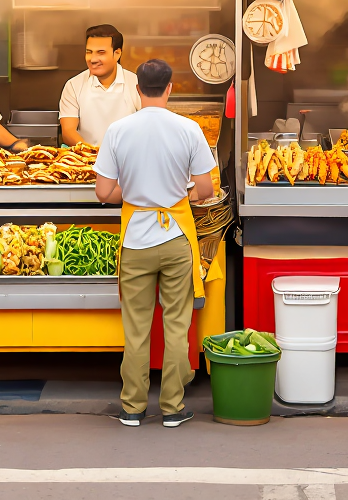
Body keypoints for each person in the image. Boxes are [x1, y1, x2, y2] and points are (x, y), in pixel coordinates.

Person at [94, 59, 214, 427]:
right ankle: (173, 408)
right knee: (177, 325)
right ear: (170, 88)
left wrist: (132, 193)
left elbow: (103, 192)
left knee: (136, 327)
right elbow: (205, 189)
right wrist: (180, 194)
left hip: (135, 238)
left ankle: (132, 407)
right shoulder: (189, 129)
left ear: (137, 88)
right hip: (177, 235)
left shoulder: (118, 130)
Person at [60, 24, 141, 147]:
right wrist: (93, 154)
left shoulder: (136, 84)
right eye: (89, 52)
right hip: (87, 159)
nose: (93, 59)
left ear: (117, 53)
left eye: (101, 53)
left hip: (127, 160)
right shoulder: (73, 86)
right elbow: (68, 132)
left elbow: (149, 127)